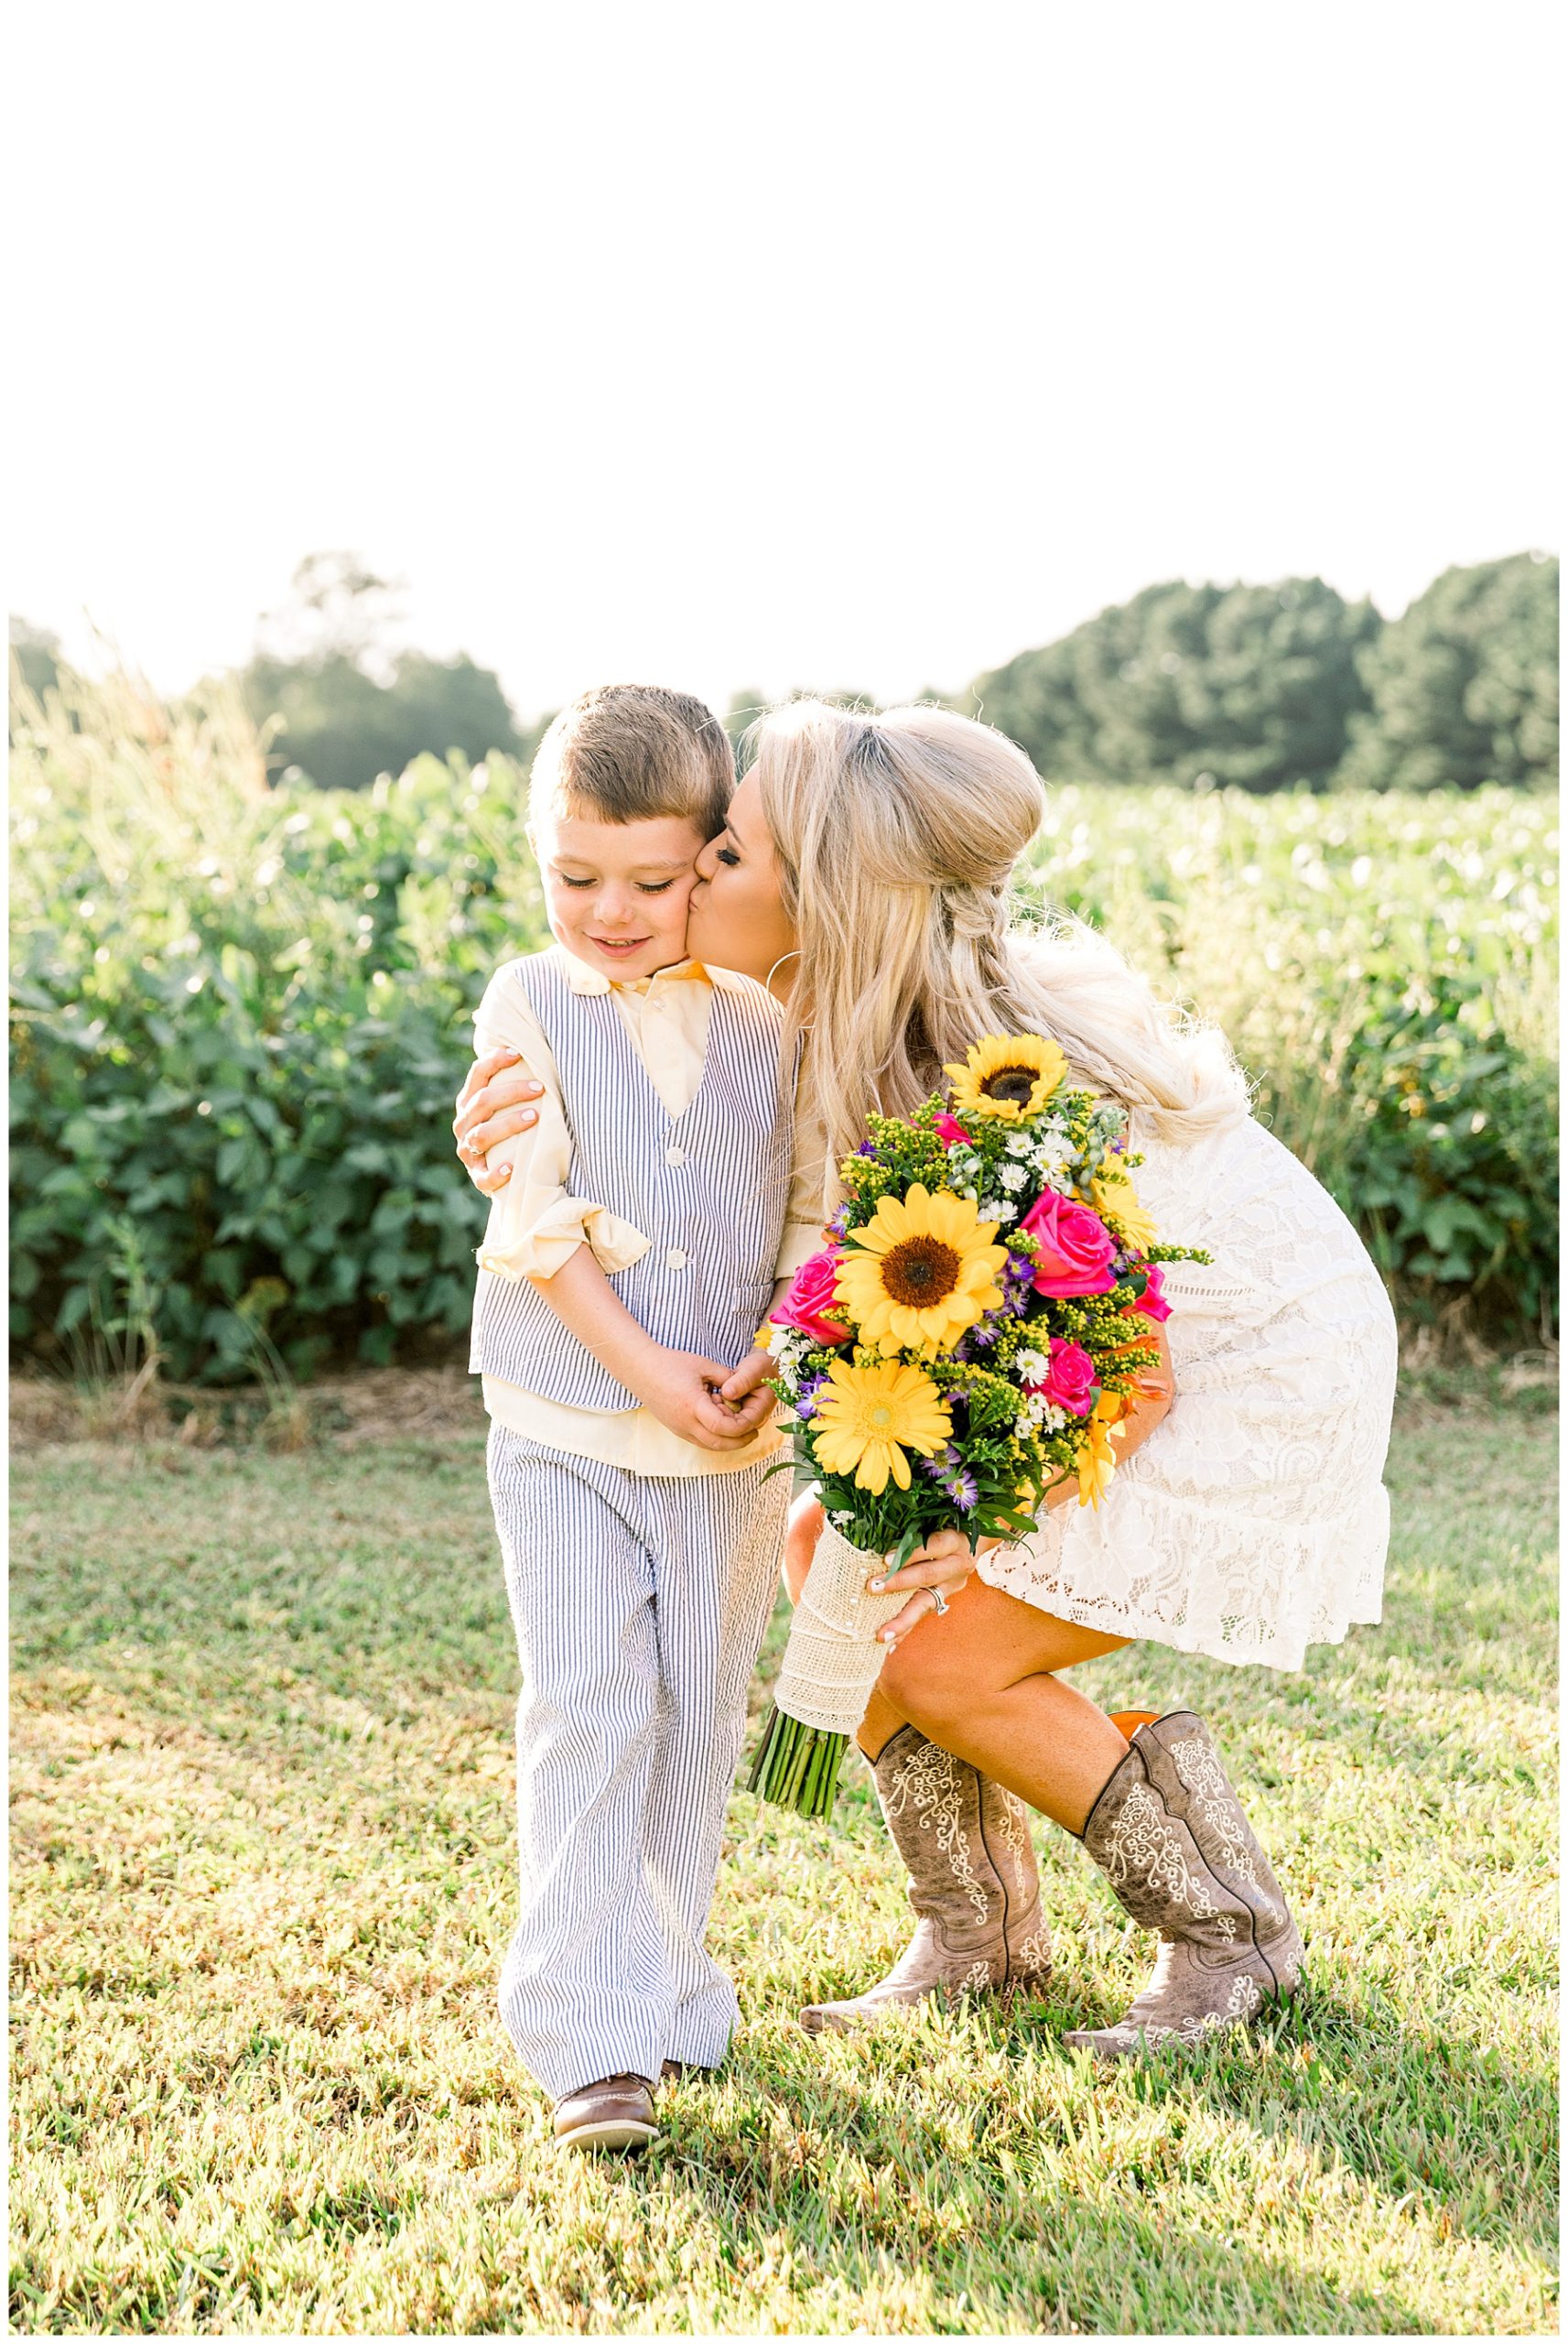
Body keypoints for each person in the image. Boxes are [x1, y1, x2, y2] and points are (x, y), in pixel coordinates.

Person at [456, 698, 1399, 2060]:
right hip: (1114, 1375)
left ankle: (1224, 1931)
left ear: (817, 895)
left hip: (1243, 1375)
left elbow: (1131, 1377)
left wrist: (974, 1529)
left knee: (945, 1653)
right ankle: (980, 1936)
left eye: (722, 856)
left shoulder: (987, 1079)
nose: (684, 881)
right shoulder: (816, 1019)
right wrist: (504, 1130)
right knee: (813, 1547)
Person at [469, 683, 816, 2152]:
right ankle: (584, 2038)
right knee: (588, 1705)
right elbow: (532, 1210)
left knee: (692, 1717)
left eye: (653, 882)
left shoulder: (769, 1017)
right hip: (561, 1419)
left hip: (728, 1446)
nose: (608, 912)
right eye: (574, 876)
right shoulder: (527, 998)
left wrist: (777, 1360)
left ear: (714, 860)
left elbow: (817, 1210)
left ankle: (670, 1984)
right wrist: (640, 1365)